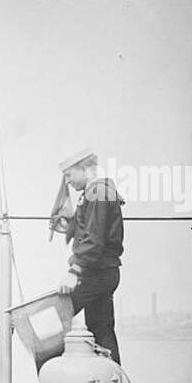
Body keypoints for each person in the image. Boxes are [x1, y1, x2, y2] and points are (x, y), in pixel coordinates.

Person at [49, 148, 124, 363]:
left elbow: (94, 239)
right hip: (105, 273)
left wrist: (74, 271)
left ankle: (53, 380)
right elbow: (93, 229)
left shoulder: (98, 193)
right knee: (102, 331)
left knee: (52, 321)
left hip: (95, 274)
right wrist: (70, 224)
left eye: (69, 175)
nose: (67, 182)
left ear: (84, 169)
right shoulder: (100, 192)